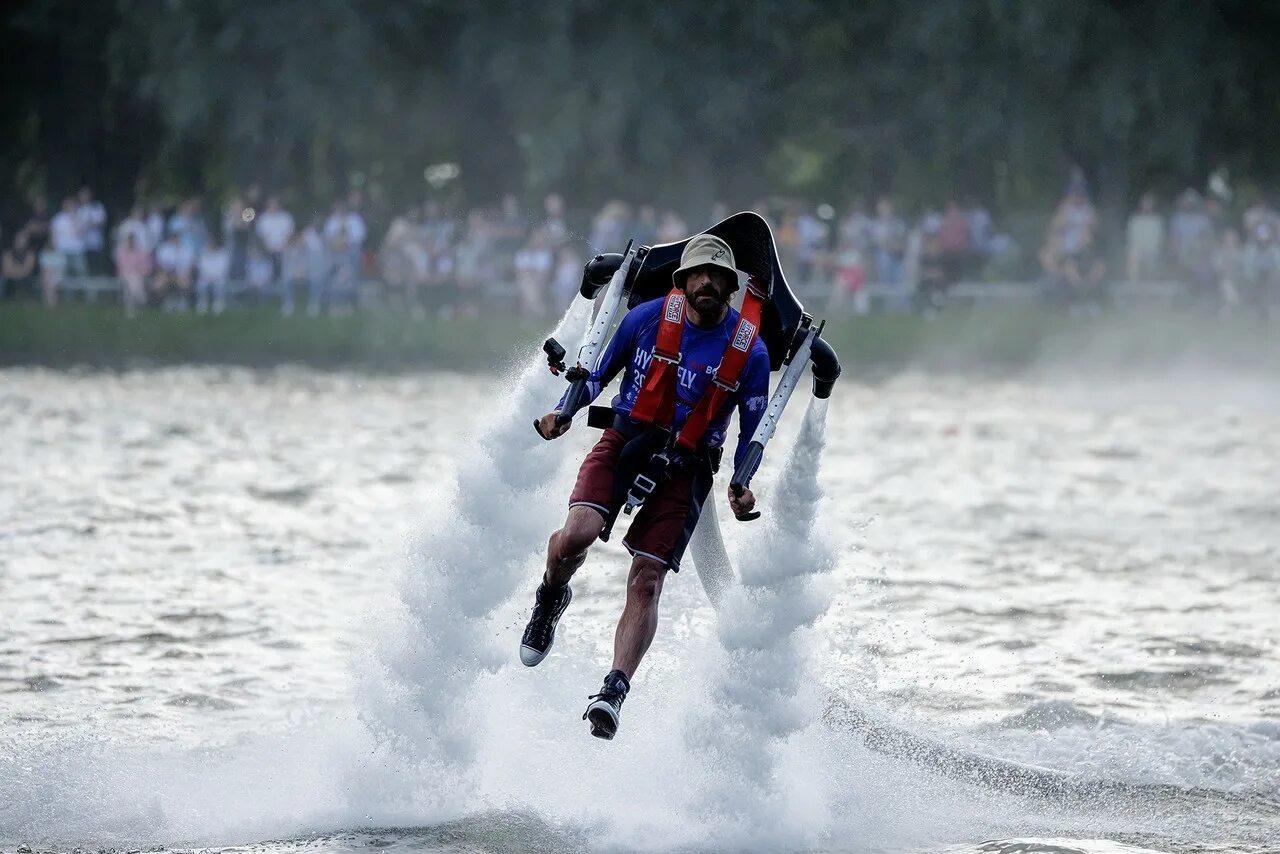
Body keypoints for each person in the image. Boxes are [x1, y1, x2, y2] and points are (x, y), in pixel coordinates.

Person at [523, 234, 771, 740]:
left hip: (689, 462)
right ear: (682, 281)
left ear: (729, 286)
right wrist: (563, 412)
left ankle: (613, 690)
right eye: (697, 274)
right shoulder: (647, 318)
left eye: (717, 276)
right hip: (627, 436)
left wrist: (742, 485)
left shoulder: (752, 352)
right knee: (577, 535)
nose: (707, 282)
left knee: (646, 580)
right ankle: (550, 596)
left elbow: (754, 433)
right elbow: (595, 375)